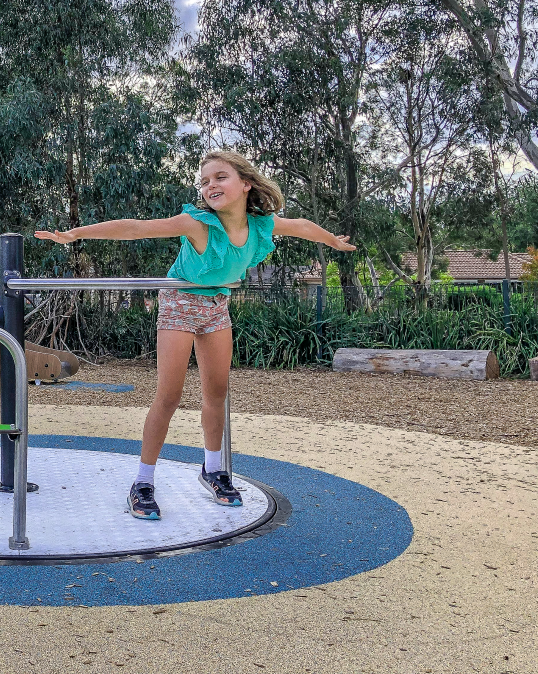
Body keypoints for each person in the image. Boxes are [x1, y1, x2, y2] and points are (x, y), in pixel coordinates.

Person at [35, 150, 355, 520]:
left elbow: (301, 225)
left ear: (246, 184)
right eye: (204, 181)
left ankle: (213, 470)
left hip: (217, 304)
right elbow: (137, 228)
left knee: (216, 393)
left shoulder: (262, 224)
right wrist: (75, 234)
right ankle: (142, 481)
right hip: (179, 303)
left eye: (220, 177)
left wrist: (332, 240)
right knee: (169, 396)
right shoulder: (197, 223)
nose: (210, 185)